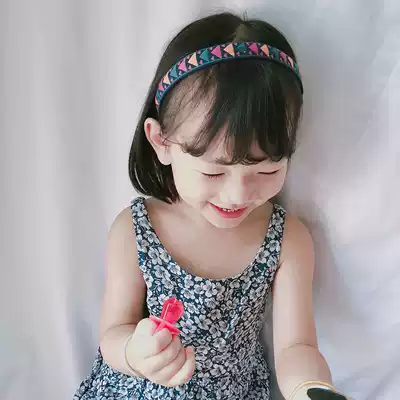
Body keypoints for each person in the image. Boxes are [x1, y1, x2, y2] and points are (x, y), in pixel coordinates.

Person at [74, 12, 350, 400]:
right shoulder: (136, 230)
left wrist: (311, 389)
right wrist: (135, 353)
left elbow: (297, 347)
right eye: (213, 172)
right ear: (161, 143)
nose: (237, 195)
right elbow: (112, 332)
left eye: (267, 170)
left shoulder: (287, 240)